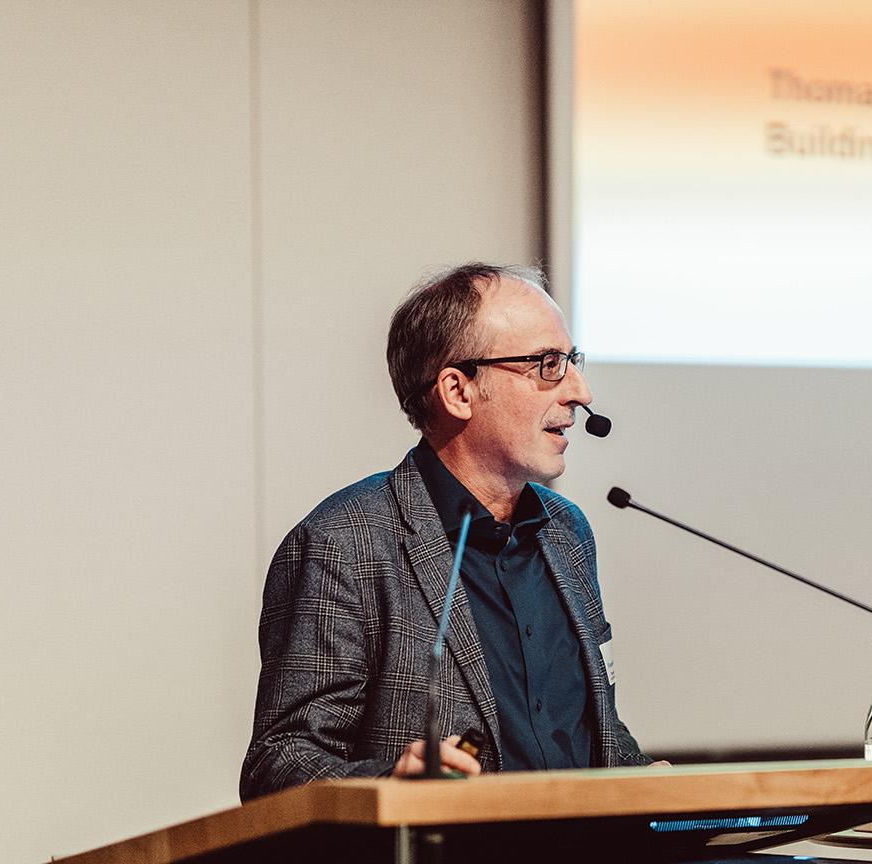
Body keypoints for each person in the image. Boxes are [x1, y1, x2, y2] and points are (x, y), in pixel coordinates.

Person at [240, 263, 652, 799]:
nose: (581, 390)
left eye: (572, 361)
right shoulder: (344, 543)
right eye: (548, 365)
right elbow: (280, 763)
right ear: (458, 391)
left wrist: (648, 783)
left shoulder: (566, 533)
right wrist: (393, 782)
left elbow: (591, 734)